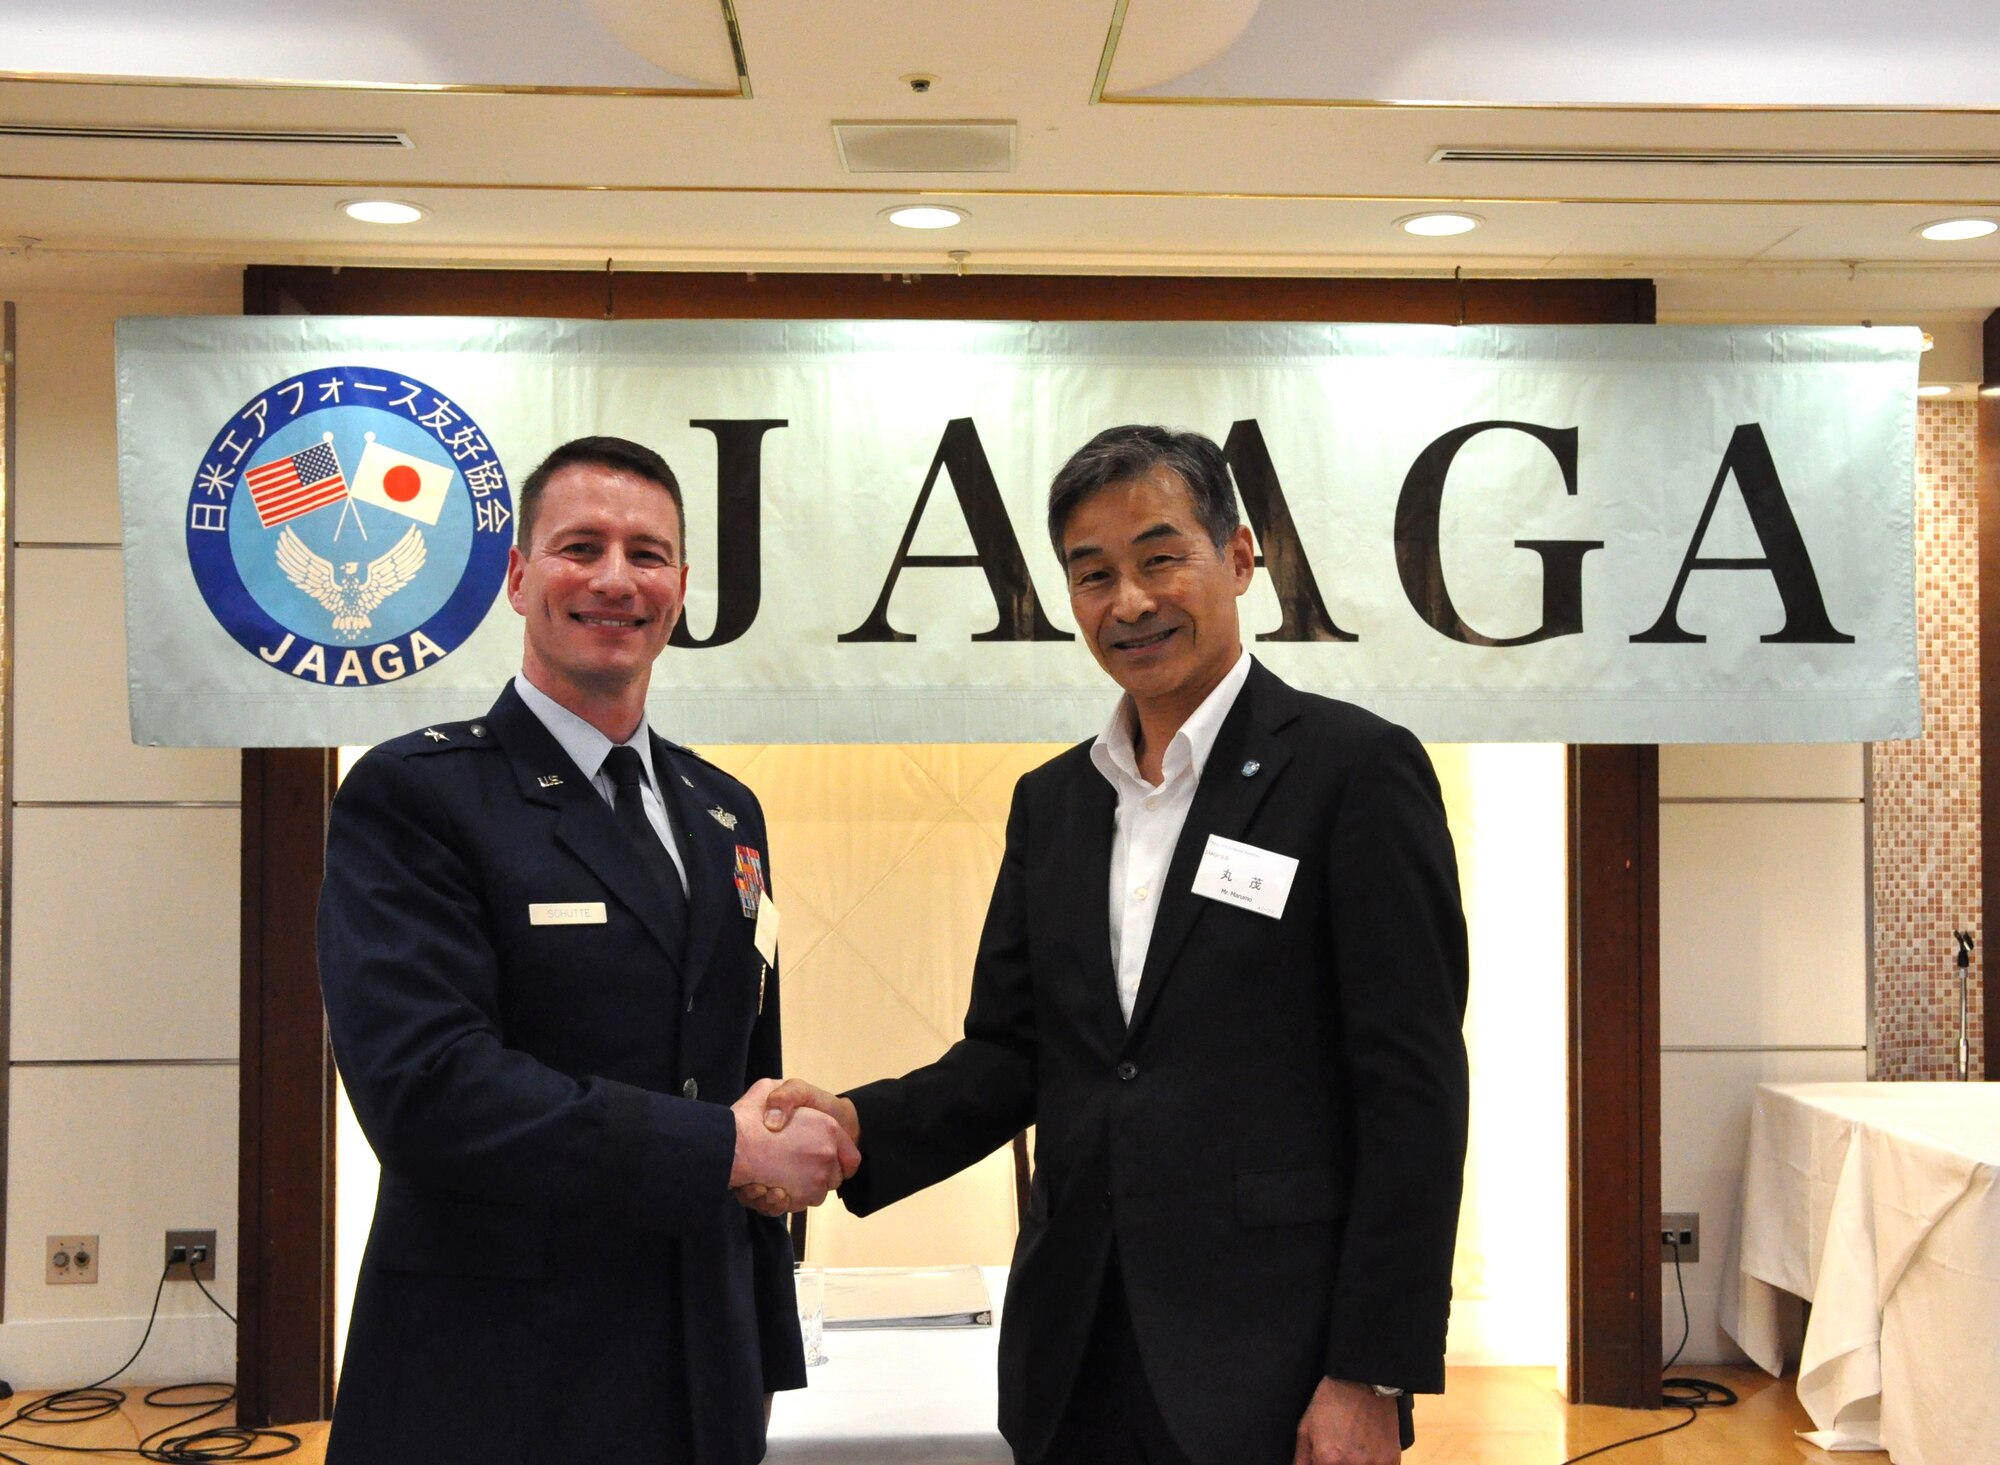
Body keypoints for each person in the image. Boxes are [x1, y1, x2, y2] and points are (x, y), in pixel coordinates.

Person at [756, 425, 1470, 1465]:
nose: (1128, 600)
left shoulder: (1353, 772)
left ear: (1236, 559)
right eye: (1092, 575)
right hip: (1073, 1349)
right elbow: (1012, 1056)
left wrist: (1370, 1366)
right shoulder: (1053, 803)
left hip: (1276, 1358)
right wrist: (857, 1123)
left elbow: (1412, 1091)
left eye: (1158, 556)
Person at [317, 436, 857, 1465]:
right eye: (581, 547)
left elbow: (739, 1072)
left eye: (647, 554)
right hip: (494, 1382)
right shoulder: (417, 797)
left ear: (682, 589)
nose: (615, 578)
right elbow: (426, 1092)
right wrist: (729, 1148)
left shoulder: (722, 812)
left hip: (700, 1371)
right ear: (520, 578)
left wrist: (759, 1346)